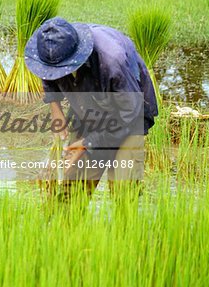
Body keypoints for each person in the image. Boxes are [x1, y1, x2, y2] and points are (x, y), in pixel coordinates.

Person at [25, 17, 158, 200]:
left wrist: (87, 144)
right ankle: (66, 225)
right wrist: (55, 106)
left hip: (129, 116)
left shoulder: (112, 61)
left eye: (60, 69)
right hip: (88, 109)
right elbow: (47, 72)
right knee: (71, 191)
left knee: (124, 190)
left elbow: (128, 116)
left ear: (76, 56)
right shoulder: (53, 52)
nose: (54, 73)